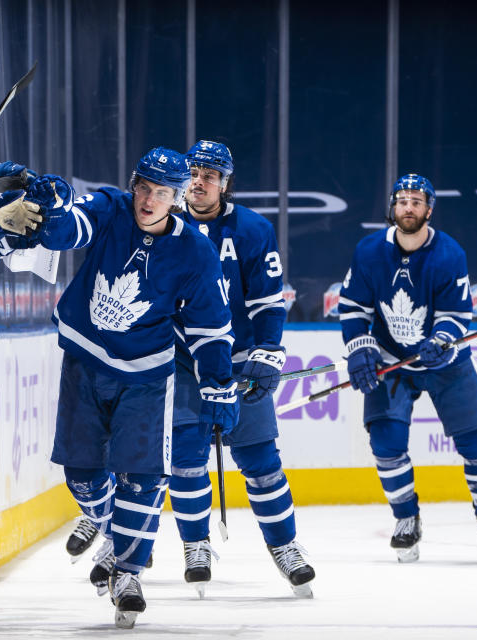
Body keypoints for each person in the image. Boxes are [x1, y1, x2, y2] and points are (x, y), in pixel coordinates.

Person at [24, 147, 240, 628]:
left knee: (143, 476)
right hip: (85, 359)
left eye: (162, 193)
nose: (148, 200)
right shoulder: (110, 208)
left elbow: (210, 326)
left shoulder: (194, 250)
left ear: (178, 198)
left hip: (146, 376)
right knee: (82, 475)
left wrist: (219, 383)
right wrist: (50, 208)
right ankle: (109, 530)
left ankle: (128, 572)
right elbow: (67, 231)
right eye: (144, 187)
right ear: (133, 184)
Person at [339, 173, 477, 562]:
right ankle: (406, 519)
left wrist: (441, 341)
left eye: (417, 202)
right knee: (386, 445)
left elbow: (457, 313)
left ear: (428, 210)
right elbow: (352, 309)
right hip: (391, 360)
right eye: (402, 200)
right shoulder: (369, 251)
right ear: (392, 207)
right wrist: (359, 348)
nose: (408, 207)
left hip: (444, 363)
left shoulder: (449, 254)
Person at [165, 140, 314, 597]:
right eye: (193, 173)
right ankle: (196, 546)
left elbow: (268, 301)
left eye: (210, 175)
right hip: (184, 363)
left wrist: (268, 351)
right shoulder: (163, 225)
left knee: (261, 462)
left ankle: (285, 547)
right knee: (187, 463)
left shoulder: (252, 229)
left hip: (237, 363)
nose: (198, 182)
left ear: (225, 184)